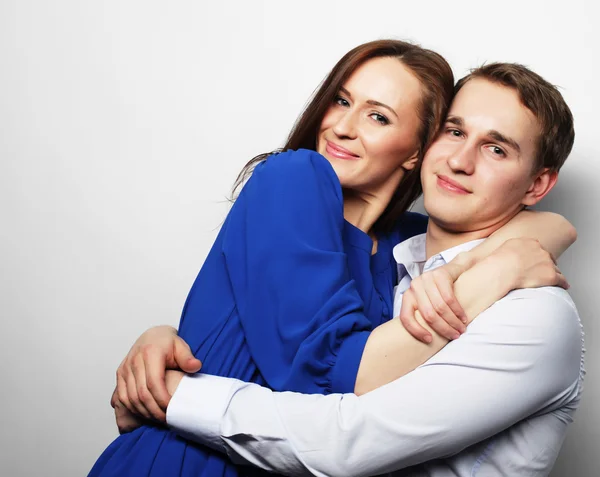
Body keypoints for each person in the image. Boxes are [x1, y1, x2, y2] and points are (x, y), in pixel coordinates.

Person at [92, 40, 576, 477]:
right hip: (186, 462)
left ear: (415, 149)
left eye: (378, 116)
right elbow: (324, 371)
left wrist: (505, 257)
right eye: (341, 101)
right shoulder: (294, 177)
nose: (341, 127)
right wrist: (493, 272)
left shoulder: (401, 254)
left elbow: (543, 227)